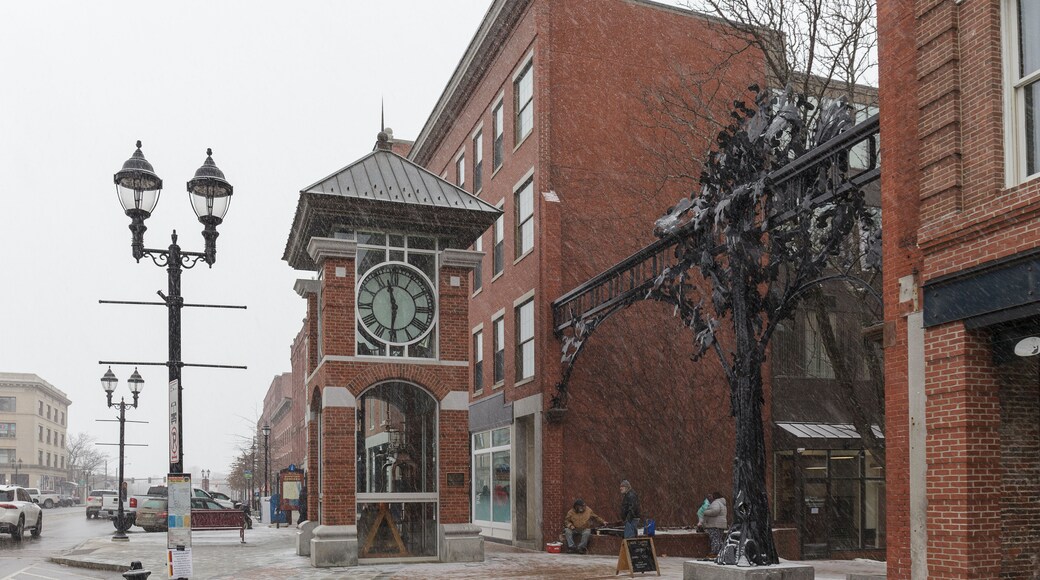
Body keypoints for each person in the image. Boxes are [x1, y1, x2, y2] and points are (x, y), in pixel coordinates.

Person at [702, 491, 728, 557]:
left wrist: (705, 512)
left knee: (715, 539)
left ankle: (715, 553)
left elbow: (715, 511)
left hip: (714, 524)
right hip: (721, 524)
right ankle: (721, 553)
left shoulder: (716, 502)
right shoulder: (722, 503)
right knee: (719, 539)